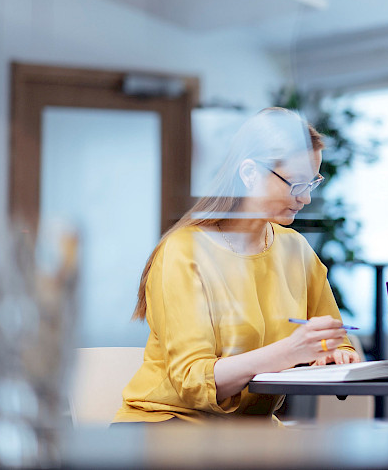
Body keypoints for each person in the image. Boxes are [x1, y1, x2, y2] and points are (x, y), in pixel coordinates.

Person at [113, 107, 360, 424]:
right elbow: (193, 381)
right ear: (249, 174)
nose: (306, 198)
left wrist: (337, 355)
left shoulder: (295, 249)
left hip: (249, 430)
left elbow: (335, 339)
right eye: (294, 183)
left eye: (311, 183)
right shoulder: (184, 251)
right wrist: (291, 351)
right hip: (170, 424)